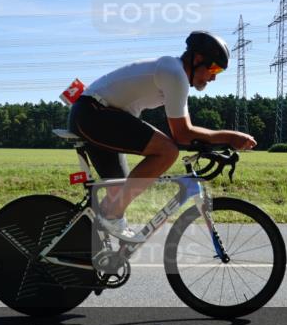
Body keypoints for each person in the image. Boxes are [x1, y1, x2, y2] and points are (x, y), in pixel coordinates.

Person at [68, 30, 257, 237]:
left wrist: (214, 143)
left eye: (218, 72)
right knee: (167, 151)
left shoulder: (174, 73)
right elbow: (183, 134)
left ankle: (86, 246)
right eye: (214, 68)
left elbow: (186, 131)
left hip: (97, 114)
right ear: (197, 59)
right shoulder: (175, 74)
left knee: (119, 190)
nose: (213, 77)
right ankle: (111, 217)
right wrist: (230, 137)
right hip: (93, 113)